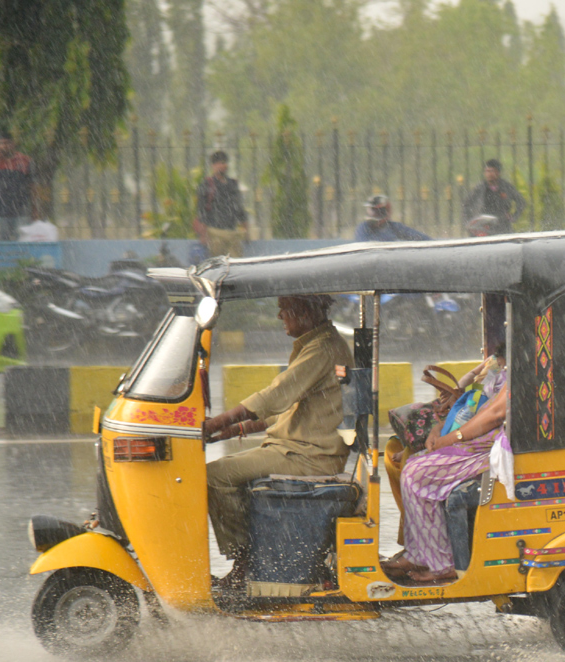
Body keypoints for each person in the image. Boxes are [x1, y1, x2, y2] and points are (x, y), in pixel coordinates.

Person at [202, 294, 354, 591]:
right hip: (296, 446)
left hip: (309, 454)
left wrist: (215, 423)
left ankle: (244, 561)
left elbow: (275, 396)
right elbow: (290, 409)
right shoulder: (317, 344)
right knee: (228, 472)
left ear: (305, 311)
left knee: (214, 476)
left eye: (284, 310)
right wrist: (234, 431)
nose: (279, 317)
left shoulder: (322, 350)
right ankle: (250, 556)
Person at [384, 351, 508, 583]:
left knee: (416, 473)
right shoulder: (495, 366)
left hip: (488, 446)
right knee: (408, 462)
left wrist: (452, 437)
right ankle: (419, 552)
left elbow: (495, 414)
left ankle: (442, 563)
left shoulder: (518, 371)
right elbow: (470, 398)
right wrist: (441, 427)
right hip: (471, 436)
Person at [194, 150, 248, 258]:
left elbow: (239, 207)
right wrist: (203, 234)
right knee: (218, 263)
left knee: (236, 263)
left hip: (232, 232)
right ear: (214, 165)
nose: (224, 165)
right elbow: (202, 210)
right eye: (221, 163)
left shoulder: (233, 184)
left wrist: (245, 227)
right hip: (215, 232)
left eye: (225, 162)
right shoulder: (207, 184)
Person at [462, 159, 525, 235]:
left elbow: (521, 202)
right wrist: (468, 223)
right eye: (486, 171)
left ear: (498, 172)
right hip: (484, 226)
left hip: (502, 226)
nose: (488, 174)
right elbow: (466, 205)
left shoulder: (506, 187)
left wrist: (514, 216)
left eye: (491, 171)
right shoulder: (480, 188)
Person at [0, 133, 34, 242]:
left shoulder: (25, 161)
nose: (4, 146)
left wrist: (35, 210)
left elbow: (33, 186)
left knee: (23, 243)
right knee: (0, 245)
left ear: (13, 144)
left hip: (21, 211)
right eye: (1, 143)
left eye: (7, 143)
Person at [355, 194, 431, 242]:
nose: (373, 213)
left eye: (378, 210)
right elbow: (365, 246)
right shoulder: (363, 228)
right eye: (372, 209)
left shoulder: (394, 227)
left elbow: (421, 238)